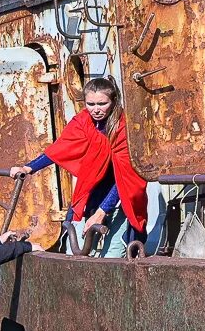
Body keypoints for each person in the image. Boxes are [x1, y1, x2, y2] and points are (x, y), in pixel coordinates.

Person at [10, 76, 150, 255]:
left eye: (102, 103)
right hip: (91, 195)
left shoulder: (126, 128)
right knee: (75, 252)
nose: (96, 109)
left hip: (120, 200)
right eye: (91, 104)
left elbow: (126, 176)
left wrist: (102, 212)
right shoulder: (83, 122)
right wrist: (28, 168)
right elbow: (59, 149)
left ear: (113, 101)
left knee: (113, 256)